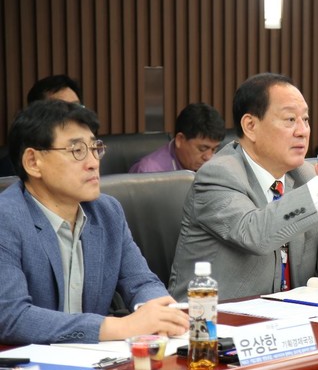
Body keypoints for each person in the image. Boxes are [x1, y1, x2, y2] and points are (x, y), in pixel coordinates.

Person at [168, 72, 318, 301]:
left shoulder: (304, 176)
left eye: (305, 119)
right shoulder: (217, 175)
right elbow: (256, 235)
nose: (302, 131)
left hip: (287, 318)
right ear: (250, 126)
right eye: (290, 120)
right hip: (211, 318)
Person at [0, 100, 189, 345]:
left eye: (95, 148)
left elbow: (141, 282)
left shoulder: (107, 211)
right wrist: (120, 326)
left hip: (98, 360)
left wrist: (159, 313)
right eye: (77, 151)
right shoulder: (7, 218)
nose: (93, 162)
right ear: (33, 162)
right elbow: (11, 317)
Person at [0, 75, 84, 177]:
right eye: (61, 109)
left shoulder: (91, 155)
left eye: (76, 107)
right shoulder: (12, 168)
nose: (73, 115)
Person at [129, 102, 226, 173]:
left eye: (214, 149)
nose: (209, 157)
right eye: (202, 148)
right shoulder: (149, 171)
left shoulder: (218, 168)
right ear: (180, 140)